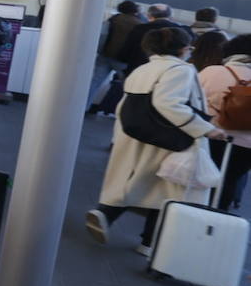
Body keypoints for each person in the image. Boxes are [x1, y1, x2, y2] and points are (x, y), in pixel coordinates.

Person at [87, 27, 224, 255]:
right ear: (182, 48)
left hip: (136, 133)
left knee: (138, 180)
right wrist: (205, 129)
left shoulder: (145, 68)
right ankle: (149, 242)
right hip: (165, 137)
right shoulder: (180, 70)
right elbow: (168, 103)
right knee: (170, 187)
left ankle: (106, 213)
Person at [199, 34, 251, 211]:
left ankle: (187, 215)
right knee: (228, 181)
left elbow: (193, 101)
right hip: (245, 145)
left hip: (209, 135)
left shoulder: (211, 72)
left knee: (200, 178)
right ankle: (215, 221)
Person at [88, 1, 144, 112]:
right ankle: (124, 112)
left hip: (105, 56)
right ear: (135, 10)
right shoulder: (139, 24)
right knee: (128, 86)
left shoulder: (113, 19)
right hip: (124, 61)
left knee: (94, 83)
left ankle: (84, 107)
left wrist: (100, 51)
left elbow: (102, 35)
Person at [119, 3, 188, 74]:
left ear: (149, 15)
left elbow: (127, 48)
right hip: (167, 72)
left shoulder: (140, 28)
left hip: (138, 69)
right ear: (170, 16)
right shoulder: (181, 31)